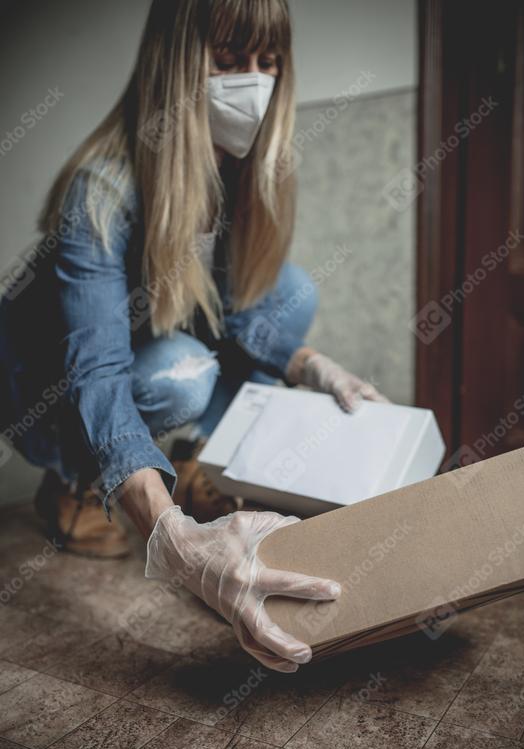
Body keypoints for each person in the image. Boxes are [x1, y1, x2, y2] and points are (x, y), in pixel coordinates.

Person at [0, 0, 387, 672]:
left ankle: (187, 469)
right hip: (46, 394)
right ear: (176, 63)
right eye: (230, 60)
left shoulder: (230, 174)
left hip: (133, 361)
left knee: (292, 291)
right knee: (183, 372)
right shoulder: (100, 190)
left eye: (269, 62)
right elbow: (97, 372)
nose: (254, 82)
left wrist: (313, 365)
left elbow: (229, 315)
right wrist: (175, 544)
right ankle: (75, 484)